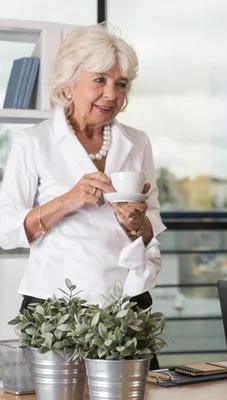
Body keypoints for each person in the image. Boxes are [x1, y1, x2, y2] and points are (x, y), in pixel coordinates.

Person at [0, 23, 166, 368]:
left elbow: (151, 228)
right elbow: (6, 228)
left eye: (121, 84)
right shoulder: (34, 142)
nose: (111, 94)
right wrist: (68, 199)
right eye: (100, 80)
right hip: (53, 309)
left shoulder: (138, 142)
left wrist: (137, 223)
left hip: (125, 307)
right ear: (70, 83)